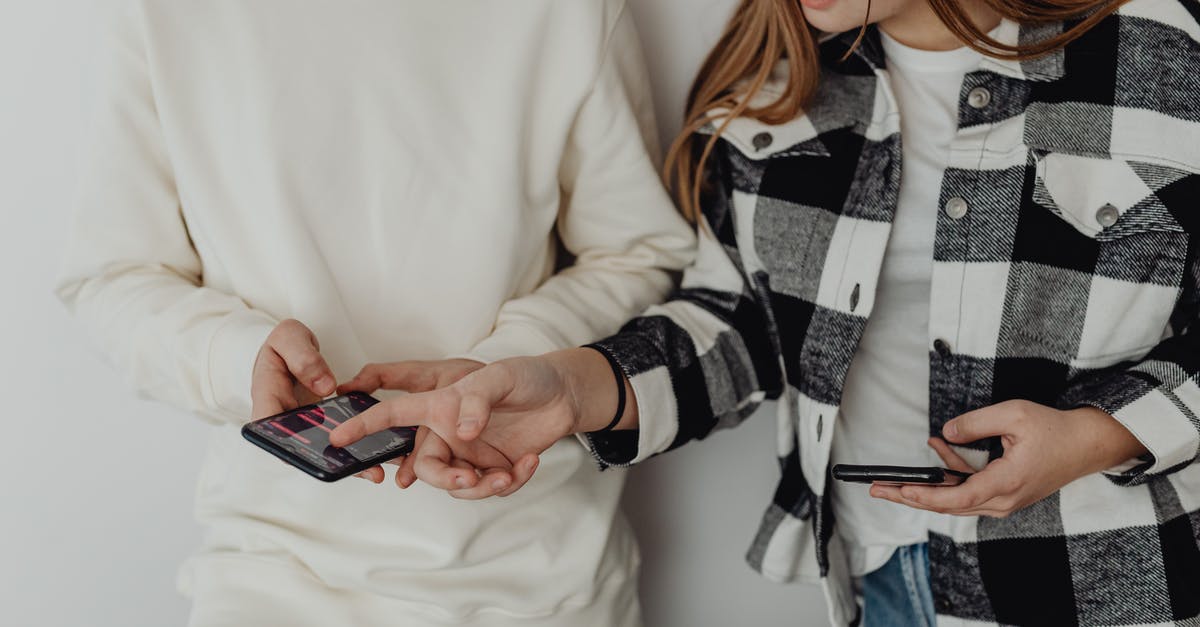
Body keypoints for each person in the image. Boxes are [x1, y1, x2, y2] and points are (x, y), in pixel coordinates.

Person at [329, 0, 1200, 624]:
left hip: (1114, 580)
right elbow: (740, 327)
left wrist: (1099, 433)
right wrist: (571, 387)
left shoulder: (1164, 45)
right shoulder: (773, 93)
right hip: (881, 570)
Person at [55, 1, 696, 625]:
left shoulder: (568, 9)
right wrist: (235, 358)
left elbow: (637, 250)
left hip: (537, 573)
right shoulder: (162, 13)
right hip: (273, 571)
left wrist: (509, 365)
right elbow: (114, 275)